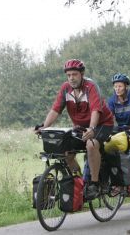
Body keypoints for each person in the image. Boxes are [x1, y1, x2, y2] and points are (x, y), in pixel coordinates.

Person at [35, 59, 114, 200]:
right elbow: (55, 110)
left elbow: (96, 110)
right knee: (65, 149)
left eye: (74, 74)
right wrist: (44, 127)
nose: (71, 78)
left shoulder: (90, 87)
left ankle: (94, 184)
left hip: (102, 123)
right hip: (80, 127)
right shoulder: (65, 88)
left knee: (91, 144)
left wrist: (92, 128)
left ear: (81, 74)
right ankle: (79, 180)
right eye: (69, 75)